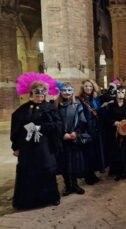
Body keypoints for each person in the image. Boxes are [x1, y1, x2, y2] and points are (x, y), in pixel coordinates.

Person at [11, 72, 62, 209]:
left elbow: (57, 126)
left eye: (42, 92)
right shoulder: (22, 110)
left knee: (47, 171)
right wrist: (16, 146)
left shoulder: (50, 108)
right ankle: (28, 202)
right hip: (28, 148)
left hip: (44, 147)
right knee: (28, 172)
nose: (40, 94)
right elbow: (15, 128)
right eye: (37, 92)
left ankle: (51, 197)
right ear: (31, 93)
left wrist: (40, 127)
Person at [55, 82, 87, 196]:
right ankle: (68, 186)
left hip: (73, 138)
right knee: (64, 164)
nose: (66, 93)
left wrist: (75, 132)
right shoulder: (55, 105)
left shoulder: (77, 104)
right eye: (64, 90)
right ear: (60, 91)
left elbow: (82, 120)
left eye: (69, 90)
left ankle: (75, 185)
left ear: (72, 91)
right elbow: (54, 122)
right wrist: (62, 134)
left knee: (74, 163)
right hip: (61, 139)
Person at [78, 79, 105, 185]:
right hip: (86, 129)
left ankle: (92, 174)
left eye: (90, 86)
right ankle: (88, 176)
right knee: (87, 154)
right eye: (86, 86)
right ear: (83, 88)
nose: (88, 88)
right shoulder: (80, 99)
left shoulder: (94, 99)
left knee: (93, 153)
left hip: (95, 129)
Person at [107, 88, 126, 181]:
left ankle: (124, 170)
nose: (121, 94)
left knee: (125, 151)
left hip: (125, 132)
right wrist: (114, 122)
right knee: (116, 151)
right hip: (114, 132)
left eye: (123, 92)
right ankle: (116, 170)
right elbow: (107, 117)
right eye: (119, 92)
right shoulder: (111, 105)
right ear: (116, 93)